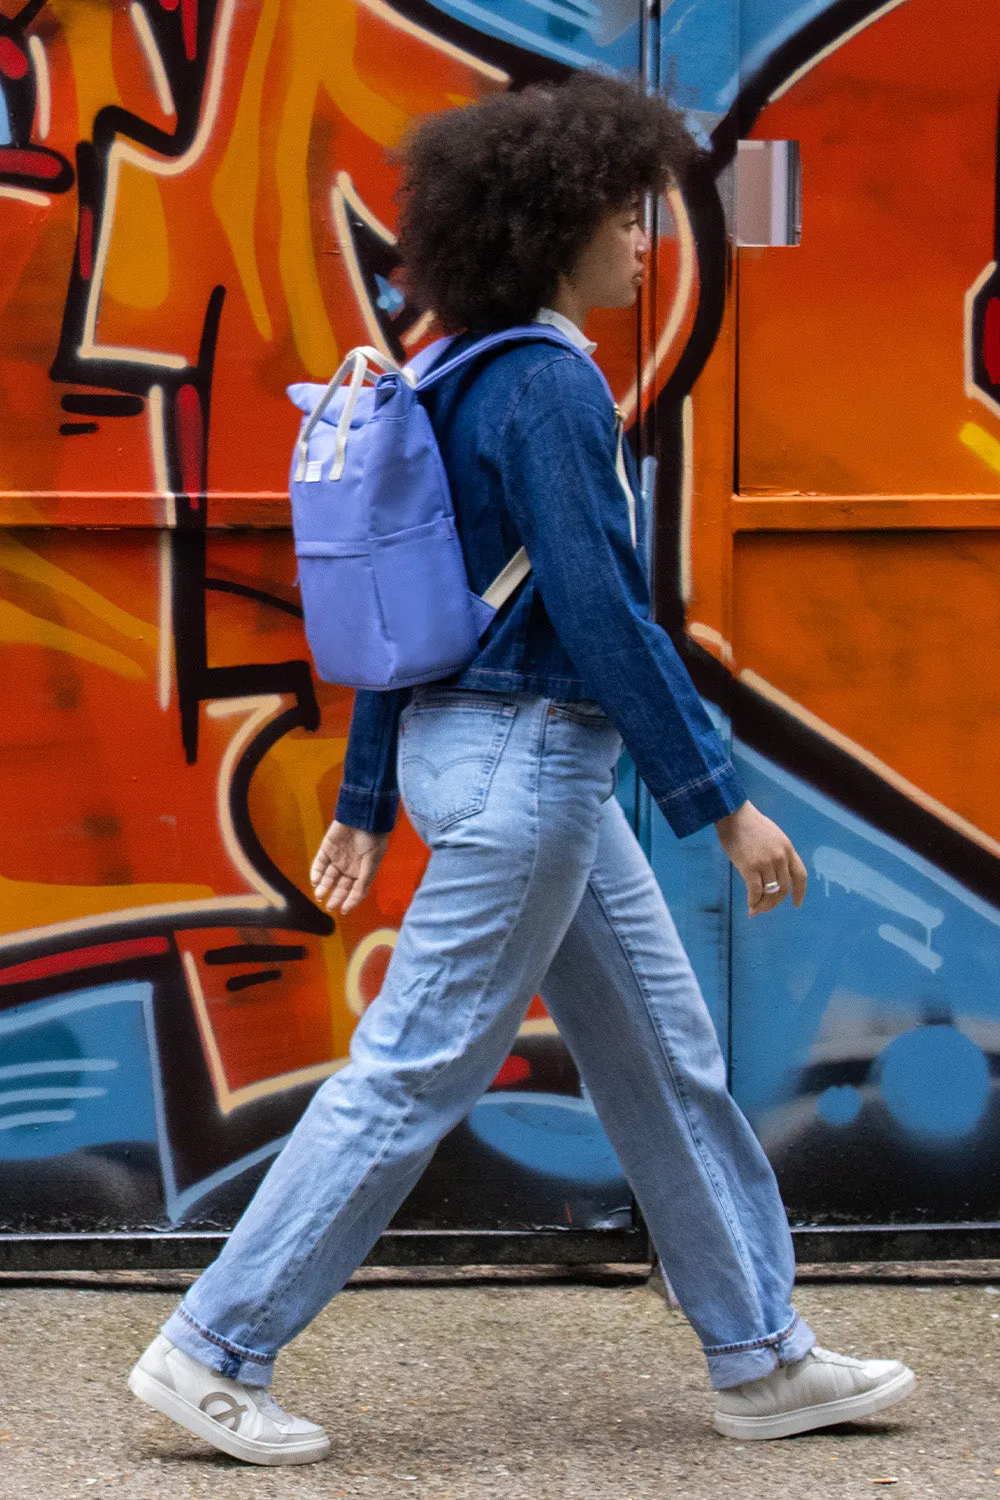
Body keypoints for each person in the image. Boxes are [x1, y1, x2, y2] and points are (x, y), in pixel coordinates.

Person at [128, 73, 915, 1465]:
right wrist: (718, 801)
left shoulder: (453, 367)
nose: (641, 244)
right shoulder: (547, 384)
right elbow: (602, 612)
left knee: (667, 1064)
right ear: (556, 227)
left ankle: (761, 1358)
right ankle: (212, 1347)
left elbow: (407, 605)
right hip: (528, 770)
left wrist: (370, 795)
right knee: (416, 1070)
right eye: (624, 219)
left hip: (496, 761)